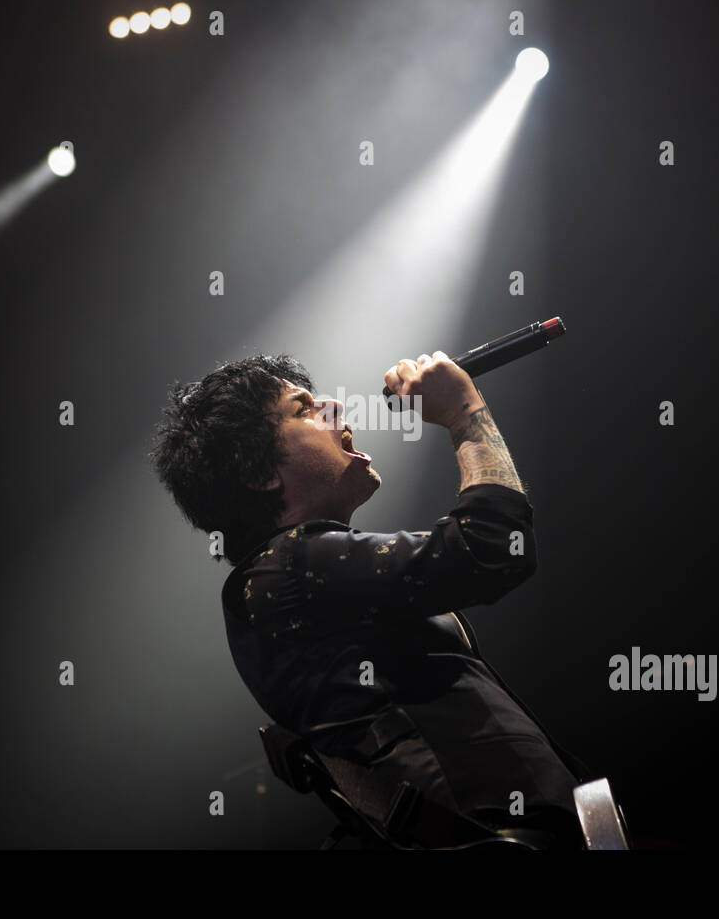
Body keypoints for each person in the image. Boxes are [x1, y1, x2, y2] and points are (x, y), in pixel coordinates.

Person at [152, 350, 590, 848]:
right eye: (303, 409)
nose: (336, 407)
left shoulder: (294, 577)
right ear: (258, 472)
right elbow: (491, 547)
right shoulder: (290, 565)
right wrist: (465, 412)